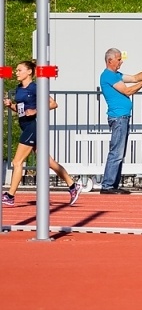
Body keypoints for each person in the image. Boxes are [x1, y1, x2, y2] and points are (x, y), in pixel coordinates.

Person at [3, 60, 82, 208]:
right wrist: (10, 105)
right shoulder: (19, 88)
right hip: (25, 125)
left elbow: (53, 104)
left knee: (17, 162)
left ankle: (10, 196)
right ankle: (73, 185)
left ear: (29, 72)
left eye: (19, 70)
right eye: (16, 70)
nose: (16, 72)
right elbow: (21, 110)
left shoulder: (35, 88)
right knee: (48, 161)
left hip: (33, 127)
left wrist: (36, 110)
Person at [98, 48, 142, 194]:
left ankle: (113, 184)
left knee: (119, 153)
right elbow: (128, 91)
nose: (121, 62)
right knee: (116, 153)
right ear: (110, 60)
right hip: (118, 117)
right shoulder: (108, 76)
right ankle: (108, 185)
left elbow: (135, 78)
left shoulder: (116, 75)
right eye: (118, 59)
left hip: (122, 117)